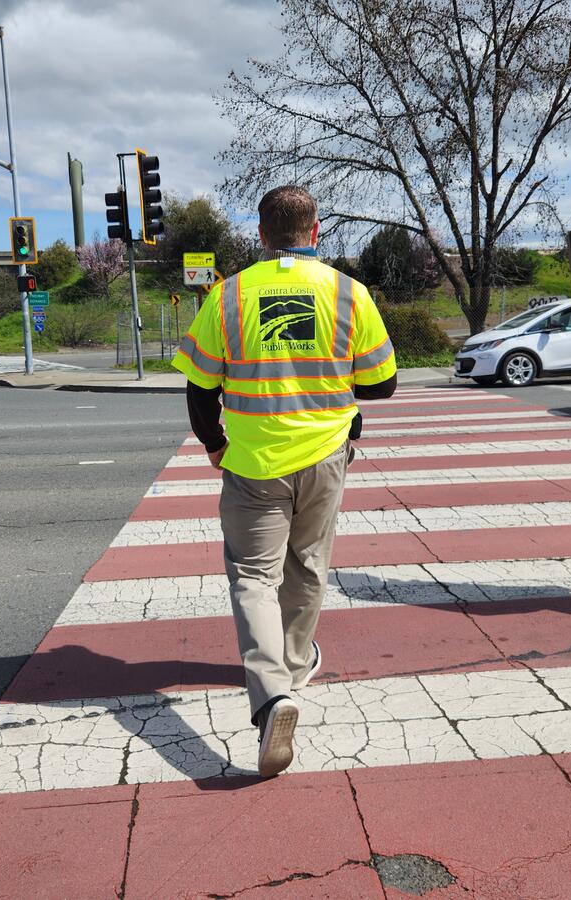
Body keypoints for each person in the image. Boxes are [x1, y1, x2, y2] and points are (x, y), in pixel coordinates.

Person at [172, 185, 397, 777]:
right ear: (315, 231)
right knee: (308, 566)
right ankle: (294, 667)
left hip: (251, 462)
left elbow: (199, 385)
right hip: (324, 457)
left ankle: (273, 695)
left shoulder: (228, 295)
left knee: (252, 576)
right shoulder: (349, 293)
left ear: (262, 234)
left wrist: (214, 444)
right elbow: (382, 385)